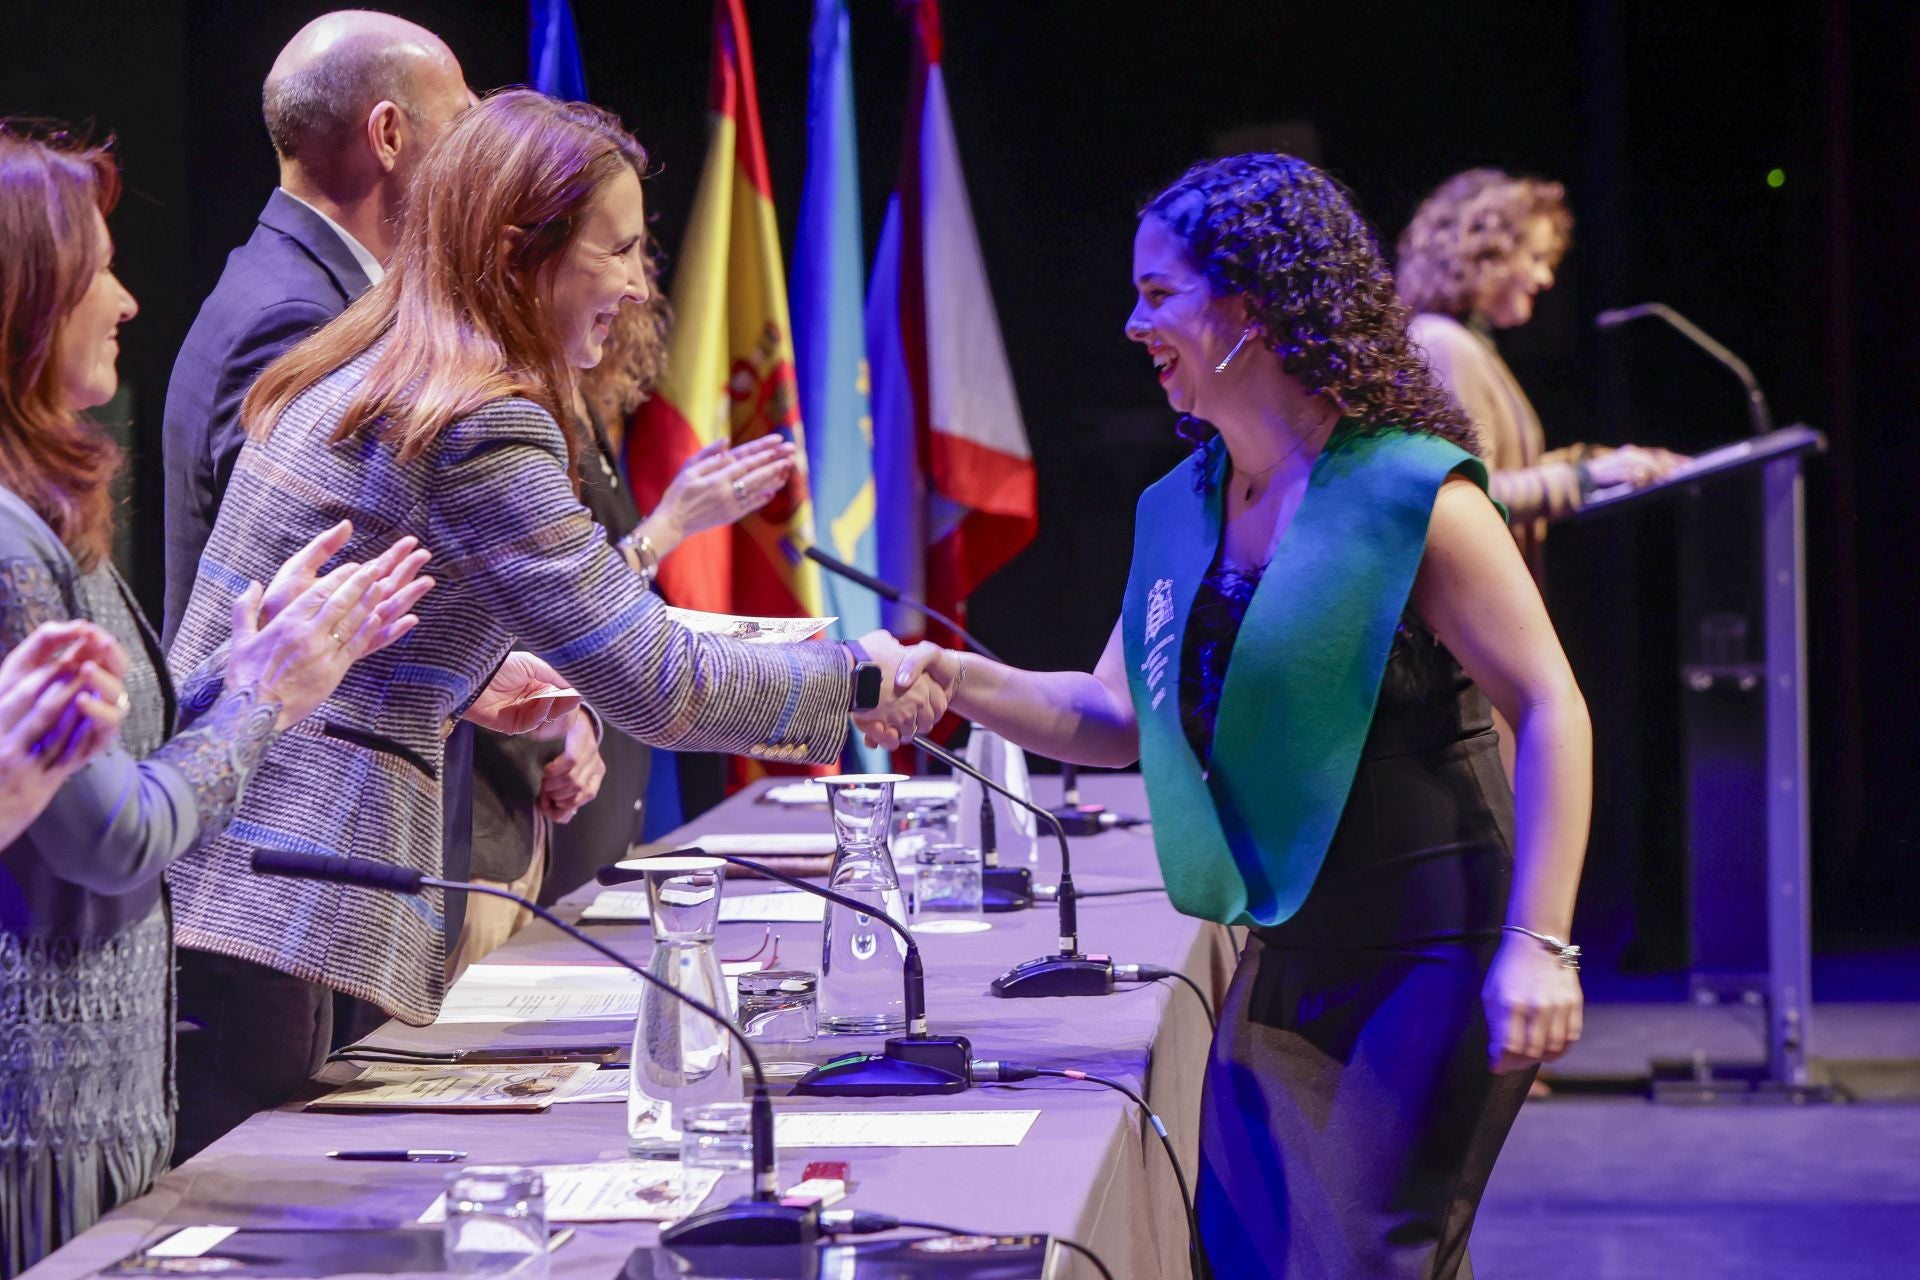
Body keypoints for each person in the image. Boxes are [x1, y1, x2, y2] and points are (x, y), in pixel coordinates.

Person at [164, 90, 941, 1152]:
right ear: (518, 248)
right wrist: (855, 677)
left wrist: (475, 672)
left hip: (231, 885)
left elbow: (354, 620)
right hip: (279, 905)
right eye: (615, 248)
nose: (634, 282)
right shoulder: (477, 419)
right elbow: (656, 677)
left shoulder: (372, 365)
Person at [886, 154, 1592, 1277]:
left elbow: (1551, 705)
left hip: (1434, 949)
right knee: (1251, 1251)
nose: (1132, 323)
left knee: (1361, 1256)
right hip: (1284, 945)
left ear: (1249, 309)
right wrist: (954, 680)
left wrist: (1538, 944)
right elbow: (1113, 713)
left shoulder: (1413, 491)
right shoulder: (1185, 505)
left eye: (1159, 295)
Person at [0, 122, 432, 1277]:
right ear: (26, 303)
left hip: (98, 1105)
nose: (128, 300)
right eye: (96, 270)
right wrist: (265, 704)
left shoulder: (46, 514)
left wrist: (241, 674)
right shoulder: (8, 549)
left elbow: (108, 761)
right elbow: (115, 836)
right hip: (43, 1122)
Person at [1398, 168, 1686, 587]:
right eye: (1534, 259)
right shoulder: (1444, 343)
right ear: (1486, 254)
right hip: (1479, 608)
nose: (1545, 278)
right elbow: (1469, 497)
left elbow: (1496, 470)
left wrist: (1598, 462)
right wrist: (1585, 479)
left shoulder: (1466, 343)